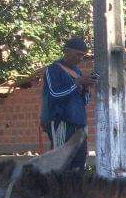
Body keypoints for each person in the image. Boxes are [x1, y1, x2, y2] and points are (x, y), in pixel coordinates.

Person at [39, 36, 93, 170]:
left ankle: (76, 191)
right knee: (61, 164)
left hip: (79, 125)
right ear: (67, 51)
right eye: (78, 54)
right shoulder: (53, 70)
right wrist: (77, 83)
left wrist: (86, 87)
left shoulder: (78, 72)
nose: (80, 58)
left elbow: (84, 102)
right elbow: (54, 95)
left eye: (83, 56)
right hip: (61, 123)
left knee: (79, 164)